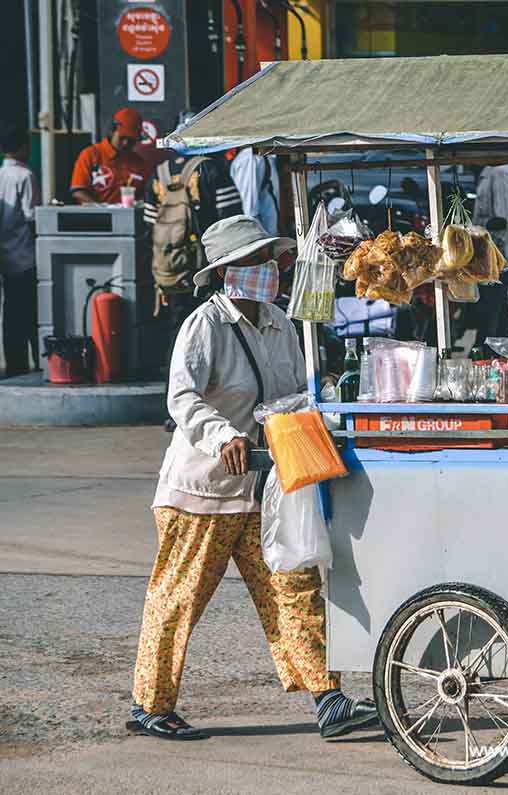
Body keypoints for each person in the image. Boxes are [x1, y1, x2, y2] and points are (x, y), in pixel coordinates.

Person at [128, 215, 377, 740]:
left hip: (265, 486)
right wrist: (223, 435)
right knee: (179, 599)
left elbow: (287, 396)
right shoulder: (204, 325)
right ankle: (149, 705)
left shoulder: (279, 323)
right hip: (204, 491)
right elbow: (183, 398)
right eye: (255, 262)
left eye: (269, 260)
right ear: (228, 271)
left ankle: (327, 697)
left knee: (296, 586)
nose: (269, 270)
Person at [145, 145, 244, 431]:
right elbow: (232, 222)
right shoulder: (210, 169)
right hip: (208, 270)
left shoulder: (159, 173)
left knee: (177, 335)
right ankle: (211, 406)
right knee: (214, 334)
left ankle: (173, 411)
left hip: (171, 273)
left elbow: (149, 226)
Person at [467, 165, 508, 355]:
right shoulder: (482, 177)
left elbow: (502, 220)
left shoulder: (497, 176)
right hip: (488, 255)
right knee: (499, 310)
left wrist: (481, 233)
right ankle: (502, 351)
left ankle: (483, 348)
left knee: (490, 306)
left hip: (496, 256)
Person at [0, 123, 39, 376]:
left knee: (10, 314)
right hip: (25, 256)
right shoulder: (25, 176)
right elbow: (32, 216)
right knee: (31, 314)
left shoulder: (1, 174)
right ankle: (38, 361)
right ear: (23, 147)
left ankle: (15, 365)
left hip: (5, 257)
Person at [70, 108, 151, 204]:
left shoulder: (138, 162)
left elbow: (145, 196)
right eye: (122, 137)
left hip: (128, 217)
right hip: (94, 216)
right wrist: (102, 210)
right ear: (112, 131)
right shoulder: (90, 155)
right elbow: (78, 191)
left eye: (131, 140)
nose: (126, 143)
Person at [230, 147, 280, 235]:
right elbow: (249, 204)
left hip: (264, 219)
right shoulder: (248, 158)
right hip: (255, 227)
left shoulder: (258, 156)